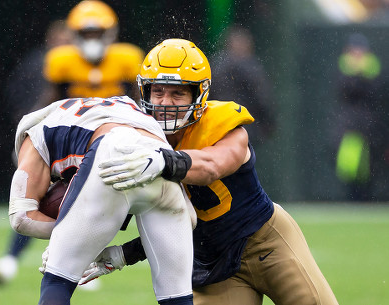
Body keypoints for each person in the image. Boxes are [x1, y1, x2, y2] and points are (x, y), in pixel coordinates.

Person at [78, 39, 339, 305]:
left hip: (266, 243)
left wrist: (164, 161)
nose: (165, 102)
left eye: (177, 93)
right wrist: (121, 252)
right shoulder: (138, 140)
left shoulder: (222, 125)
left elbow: (211, 166)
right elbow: (174, 220)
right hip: (213, 265)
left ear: (199, 95)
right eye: (158, 91)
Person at [10, 95, 195, 305]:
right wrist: (122, 253)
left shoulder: (36, 134)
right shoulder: (127, 109)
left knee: (56, 281)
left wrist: (72, 231)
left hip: (109, 150)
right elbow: (190, 220)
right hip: (160, 157)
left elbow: (21, 217)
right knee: (177, 298)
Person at [0, 19, 73, 287]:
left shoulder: (93, 66)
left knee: (81, 203)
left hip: (87, 145)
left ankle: (74, 261)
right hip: (55, 143)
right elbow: (36, 101)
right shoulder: (43, 65)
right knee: (33, 202)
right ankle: (12, 258)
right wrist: (28, 134)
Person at [35, 0, 144, 109]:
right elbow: (51, 99)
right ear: (75, 33)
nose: (92, 39)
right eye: (86, 34)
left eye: (97, 33)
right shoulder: (60, 59)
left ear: (109, 32)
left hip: (119, 117)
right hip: (76, 120)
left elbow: (138, 98)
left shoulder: (128, 58)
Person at [333, 32, 384, 200]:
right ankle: (352, 196)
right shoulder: (343, 69)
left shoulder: (374, 69)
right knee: (349, 165)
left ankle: (365, 197)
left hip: (370, 126)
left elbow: (375, 92)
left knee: (369, 165)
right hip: (351, 125)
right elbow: (345, 91)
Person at [210, 26, 276, 148]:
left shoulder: (216, 65)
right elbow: (262, 97)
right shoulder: (251, 67)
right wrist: (268, 123)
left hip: (217, 127)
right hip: (244, 127)